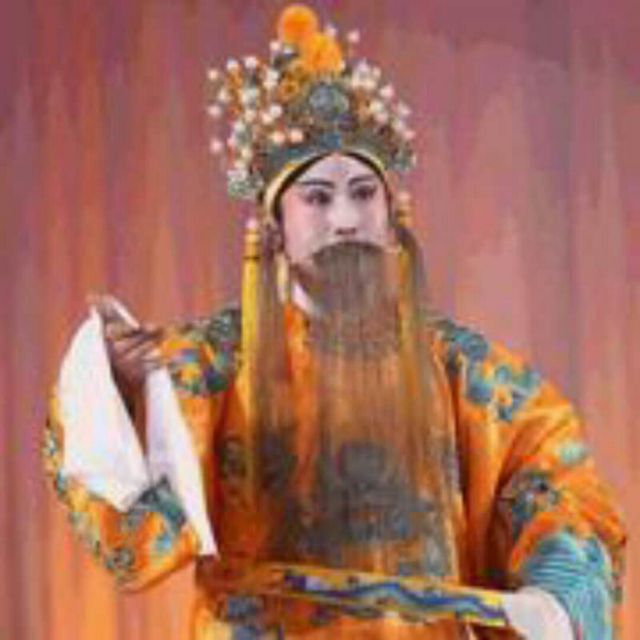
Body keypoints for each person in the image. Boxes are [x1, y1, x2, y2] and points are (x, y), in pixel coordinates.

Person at [42, 5, 626, 640]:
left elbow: (553, 481)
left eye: (364, 194)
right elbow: (136, 514)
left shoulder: (465, 373)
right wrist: (128, 394)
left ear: (394, 215)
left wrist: (555, 585)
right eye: (317, 198)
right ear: (274, 228)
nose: (345, 220)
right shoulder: (216, 366)